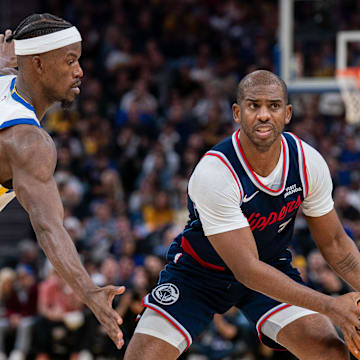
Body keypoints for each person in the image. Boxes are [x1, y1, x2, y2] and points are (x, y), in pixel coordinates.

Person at [124, 70, 360, 360]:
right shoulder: (215, 172)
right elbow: (246, 270)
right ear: (237, 112)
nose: (263, 114)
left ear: (287, 114)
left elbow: (337, 245)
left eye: (273, 106)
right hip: (198, 275)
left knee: (330, 351)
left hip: (270, 268)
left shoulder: (307, 161)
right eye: (253, 105)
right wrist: (332, 306)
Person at [0, 14, 125, 351]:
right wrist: (89, 292)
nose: (80, 71)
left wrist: (7, 60)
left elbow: (9, 70)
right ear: (38, 64)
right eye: (70, 60)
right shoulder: (28, 141)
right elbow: (48, 228)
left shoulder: (6, 81)